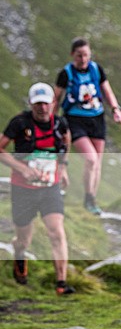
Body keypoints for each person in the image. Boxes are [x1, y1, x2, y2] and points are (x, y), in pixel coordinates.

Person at [0, 83, 75, 295]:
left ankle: (61, 283)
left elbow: (66, 143)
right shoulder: (19, 123)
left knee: (56, 232)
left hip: (49, 188)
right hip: (23, 189)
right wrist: (21, 168)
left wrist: (63, 168)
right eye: (37, 104)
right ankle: (19, 254)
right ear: (31, 104)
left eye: (45, 103)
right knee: (24, 238)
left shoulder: (60, 124)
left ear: (53, 103)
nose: (42, 108)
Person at [53, 37, 121, 215]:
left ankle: (91, 200)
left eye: (86, 55)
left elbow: (107, 91)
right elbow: (56, 98)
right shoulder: (66, 74)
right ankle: (88, 198)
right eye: (79, 55)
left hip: (96, 119)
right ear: (72, 55)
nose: (83, 59)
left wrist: (115, 109)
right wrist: (52, 120)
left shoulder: (96, 69)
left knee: (97, 163)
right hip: (74, 120)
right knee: (91, 158)